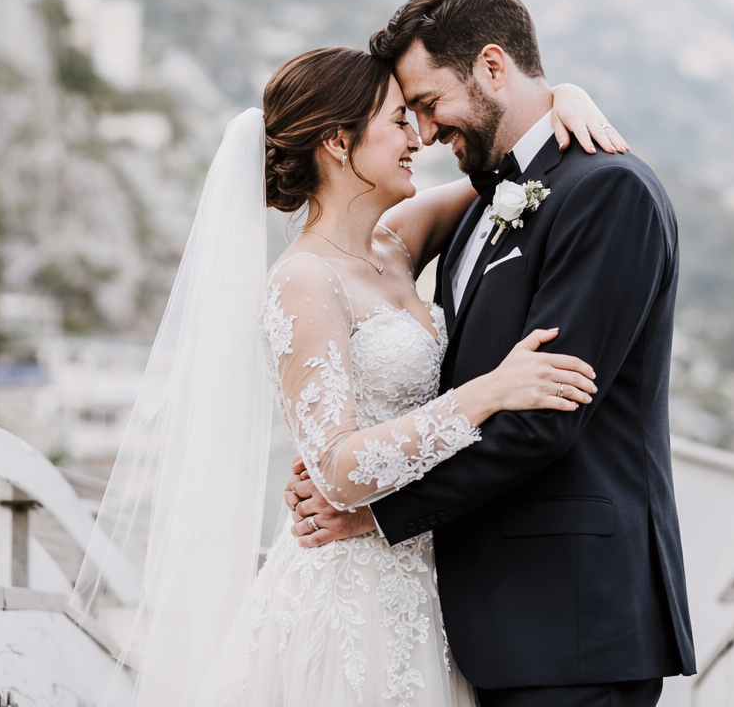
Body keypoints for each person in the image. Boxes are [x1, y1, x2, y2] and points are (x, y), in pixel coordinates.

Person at [71, 38, 627, 706]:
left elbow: (507, 175)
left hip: (433, 588)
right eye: (397, 121)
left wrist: (562, 99)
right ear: (339, 143)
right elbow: (336, 468)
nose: (417, 138)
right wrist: (486, 394)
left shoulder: (396, 245)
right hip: (351, 596)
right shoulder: (302, 280)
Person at [287, 0, 695, 707]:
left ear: (493, 66)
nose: (425, 131)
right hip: (479, 622)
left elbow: (544, 418)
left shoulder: (607, 192)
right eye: (405, 115)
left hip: (573, 622)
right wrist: (349, 457)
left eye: (427, 103)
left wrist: (376, 511)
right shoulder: (480, 204)